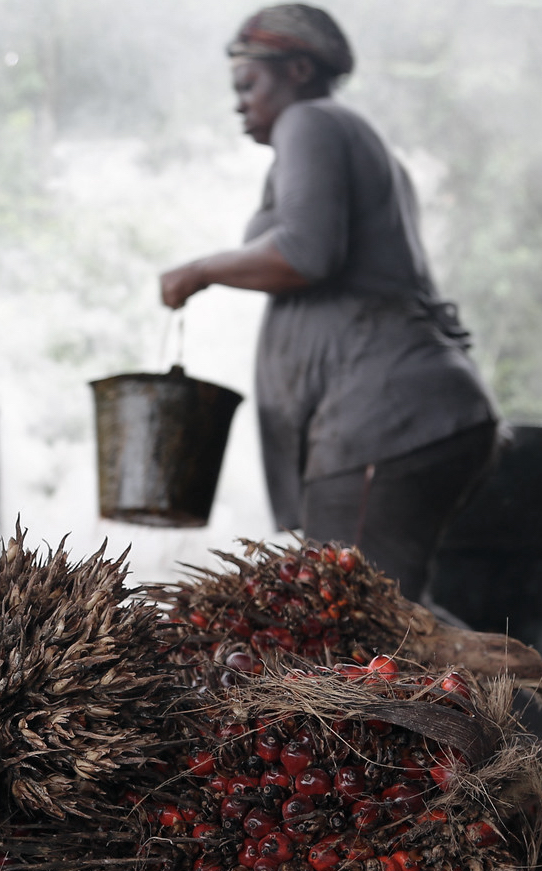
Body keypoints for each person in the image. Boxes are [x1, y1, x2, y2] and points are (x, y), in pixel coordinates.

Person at [160, 5, 498, 603]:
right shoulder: (347, 140)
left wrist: (199, 270)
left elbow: (305, 252)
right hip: (397, 419)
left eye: (248, 84)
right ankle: (531, 700)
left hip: (381, 420)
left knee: (352, 618)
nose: (239, 102)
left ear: (297, 69)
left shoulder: (310, 121)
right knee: (376, 623)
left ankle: (525, 703)